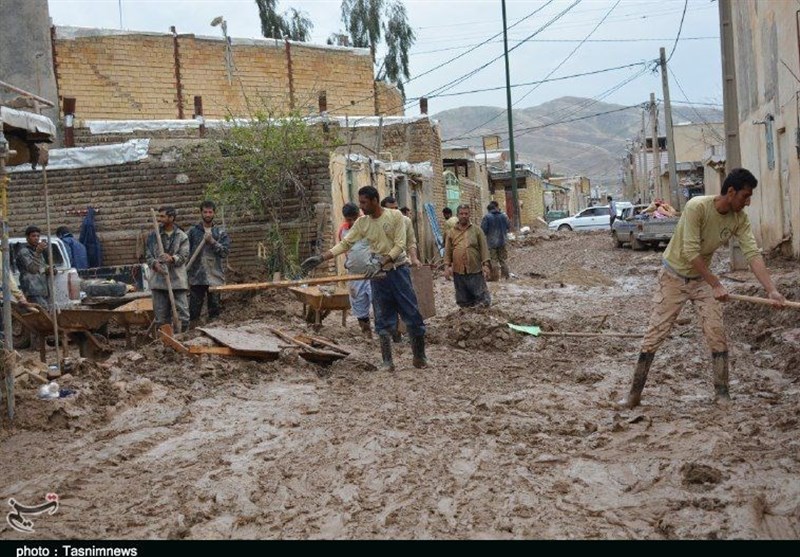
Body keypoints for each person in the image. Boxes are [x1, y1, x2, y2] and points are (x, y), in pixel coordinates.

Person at [619, 168, 786, 409]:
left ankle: (722, 394)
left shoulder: (739, 219)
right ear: (731, 192)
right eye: (745, 196)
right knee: (655, 334)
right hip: (673, 277)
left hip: (701, 281)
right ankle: (633, 395)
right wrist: (716, 284)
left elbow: (752, 254)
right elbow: (690, 251)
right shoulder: (697, 207)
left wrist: (771, 290)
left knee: (716, 333)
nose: (748, 202)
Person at [301, 186, 427, 371]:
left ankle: (419, 357)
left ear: (375, 200)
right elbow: (345, 244)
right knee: (382, 316)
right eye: (360, 202)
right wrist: (321, 257)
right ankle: (387, 361)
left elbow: (400, 245)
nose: (361, 206)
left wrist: (381, 262)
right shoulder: (362, 223)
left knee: (411, 313)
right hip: (377, 275)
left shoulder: (395, 217)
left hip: (398, 271)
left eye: (364, 202)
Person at [381, 196, 422, 343]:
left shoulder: (405, 221)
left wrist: (415, 258)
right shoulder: (376, 223)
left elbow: (411, 241)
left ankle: (414, 339)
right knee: (385, 305)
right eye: (390, 209)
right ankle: (393, 334)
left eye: (395, 208)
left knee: (407, 303)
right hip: (382, 271)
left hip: (400, 267)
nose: (394, 212)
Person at [146, 206, 190, 333]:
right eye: (159, 216)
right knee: (161, 318)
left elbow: (184, 256)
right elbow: (148, 255)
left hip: (177, 281)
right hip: (159, 282)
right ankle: (165, 343)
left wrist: (171, 258)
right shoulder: (153, 236)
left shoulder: (182, 236)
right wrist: (155, 265)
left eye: (163, 216)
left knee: (183, 315)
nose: (160, 219)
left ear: (171, 218)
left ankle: (182, 337)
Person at [187, 201, 231, 325]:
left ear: (214, 213)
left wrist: (212, 241)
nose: (207, 214)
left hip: (215, 276)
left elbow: (225, 252)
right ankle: (194, 334)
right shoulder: (192, 232)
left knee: (214, 311)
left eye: (210, 212)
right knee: (194, 311)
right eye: (205, 212)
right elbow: (184, 251)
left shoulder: (220, 233)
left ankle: (214, 333)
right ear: (201, 213)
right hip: (196, 277)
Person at [445, 204, 492, 308]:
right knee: (462, 299)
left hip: (475, 269)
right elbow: (447, 251)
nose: (464, 216)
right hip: (458, 271)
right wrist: (447, 267)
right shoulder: (451, 232)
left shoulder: (477, 230)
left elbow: (484, 248)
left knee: (481, 298)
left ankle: (481, 315)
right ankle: (466, 316)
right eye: (461, 214)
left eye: (466, 213)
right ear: (457, 215)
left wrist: (486, 265)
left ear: (469, 214)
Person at [339, 202, 373, 338]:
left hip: (372, 273)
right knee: (359, 305)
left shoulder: (370, 226)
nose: (352, 222)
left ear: (360, 215)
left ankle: (388, 333)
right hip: (354, 275)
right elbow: (345, 249)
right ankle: (367, 333)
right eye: (349, 219)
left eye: (355, 218)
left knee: (379, 303)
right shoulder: (343, 230)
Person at [15, 225, 51, 308]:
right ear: (27, 238)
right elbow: (33, 269)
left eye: (38, 236)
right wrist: (38, 253)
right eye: (33, 236)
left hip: (42, 290)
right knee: (42, 312)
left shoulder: (38, 251)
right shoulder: (24, 252)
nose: (36, 238)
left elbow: (41, 268)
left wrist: (49, 269)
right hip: (32, 290)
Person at [481, 200, 511, 280]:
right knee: (503, 260)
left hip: (491, 242)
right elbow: (508, 226)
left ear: (489, 210)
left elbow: (483, 230)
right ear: (496, 208)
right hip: (503, 241)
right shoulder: (503, 216)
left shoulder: (487, 217)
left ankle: (495, 277)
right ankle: (506, 276)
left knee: (493, 260)